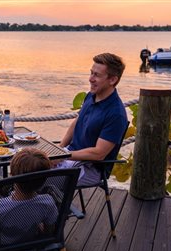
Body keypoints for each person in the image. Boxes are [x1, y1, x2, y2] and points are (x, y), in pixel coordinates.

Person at [55, 53, 128, 187]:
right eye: (91, 73)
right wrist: (59, 149)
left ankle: (45, 205)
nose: (90, 79)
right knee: (26, 163)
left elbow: (98, 154)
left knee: (36, 179)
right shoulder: (91, 96)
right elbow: (77, 122)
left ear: (112, 80)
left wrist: (63, 156)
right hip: (70, 156)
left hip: (91, 169)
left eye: (97, 75)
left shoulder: (116, 114)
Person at [0, 148, 58, 246]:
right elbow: (48, 230)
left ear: (12, 175)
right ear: (45, 178)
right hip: (30, 238)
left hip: (1, 244)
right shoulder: (47, 202)